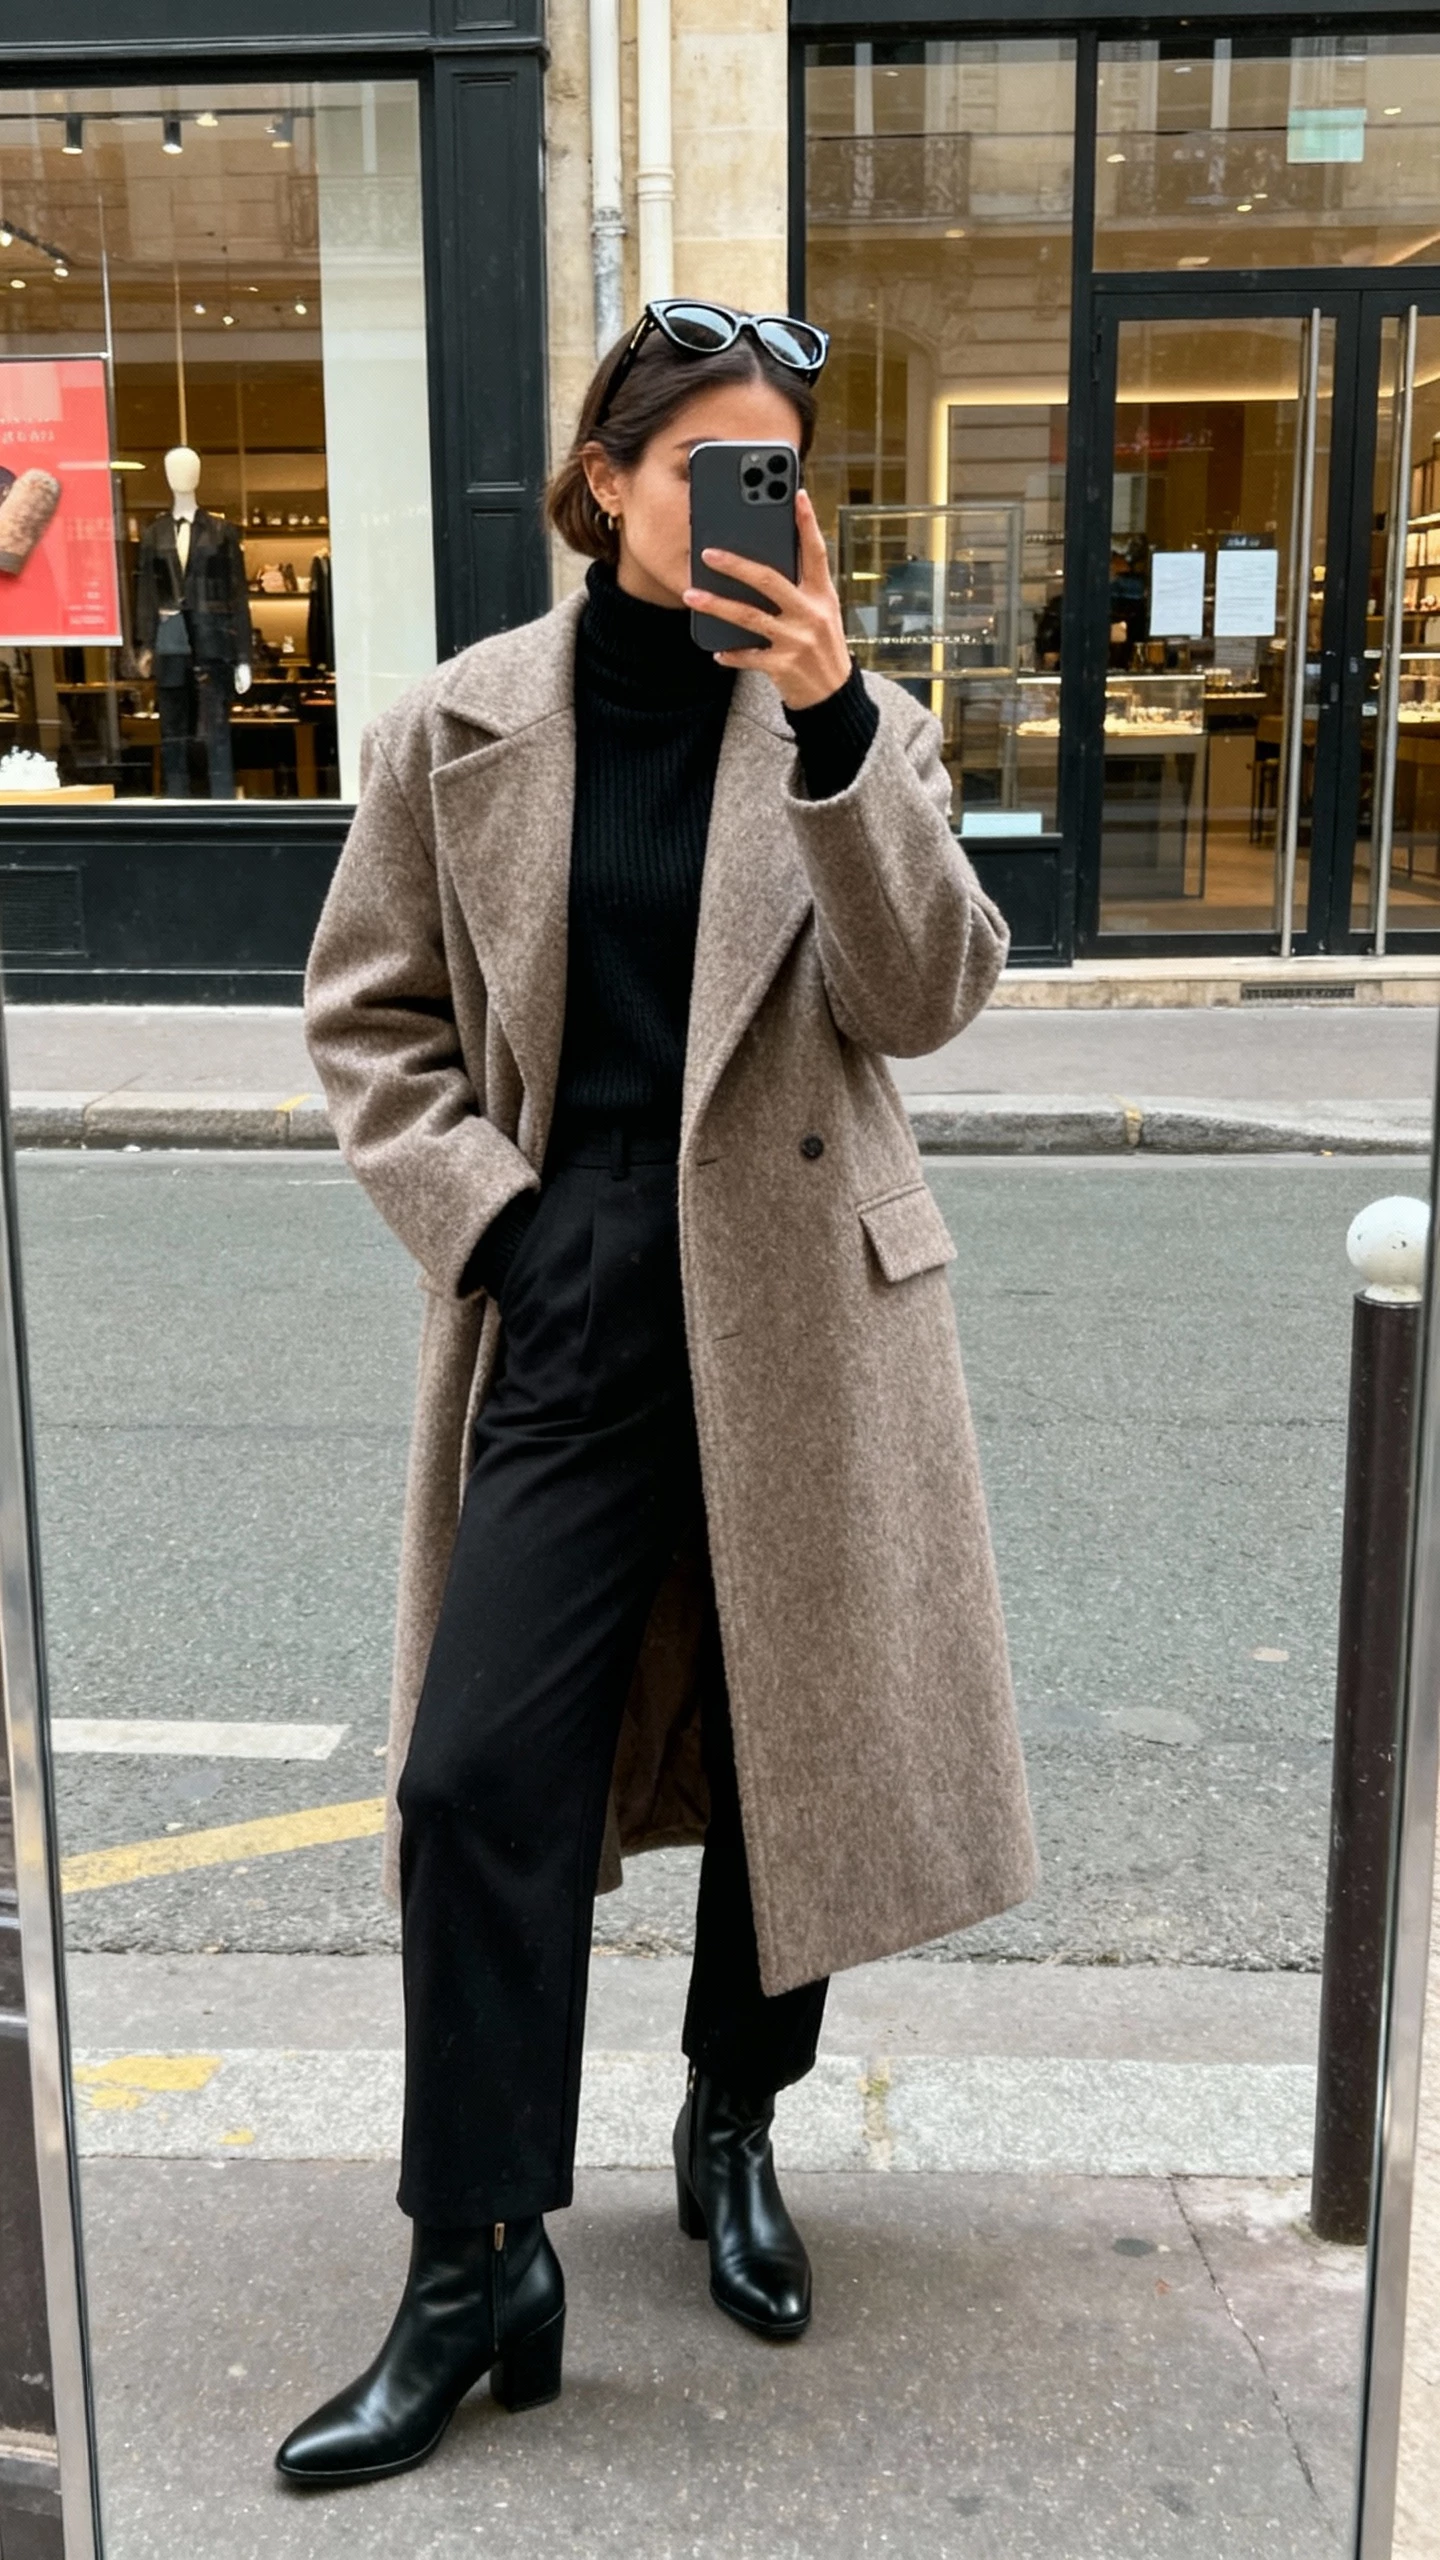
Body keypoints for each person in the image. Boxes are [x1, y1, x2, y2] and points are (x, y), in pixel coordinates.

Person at [278, 298, 1037, 2490]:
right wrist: (502, 1228)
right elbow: (369, 1021)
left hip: (801, 1288)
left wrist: (826, 733)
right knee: (469, 1780)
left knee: (792, 1748)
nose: (745, 497)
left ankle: (733, 2126)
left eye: (775, 461)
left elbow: (930, 990)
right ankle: (473, 2252)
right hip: (577, 1270)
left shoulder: (847, 716)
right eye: (704, 456)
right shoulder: (459, 724)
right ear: (607, 478)